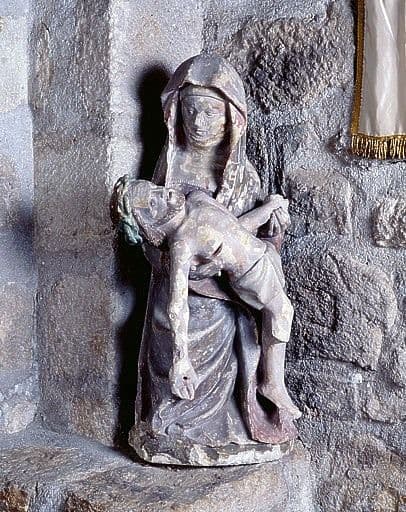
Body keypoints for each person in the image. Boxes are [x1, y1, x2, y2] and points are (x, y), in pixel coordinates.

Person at [117, 54, 298, 465]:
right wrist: (167, 258)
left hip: (227, 300)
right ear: (176, 113)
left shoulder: (243, 176)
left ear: (231, 118)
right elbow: (150, 233)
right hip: (176, 290)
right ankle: (170, 430)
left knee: (245, 337)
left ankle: (242, 412)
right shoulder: (167, 172)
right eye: (191, 110)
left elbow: (252, 240)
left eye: (211, 112)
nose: (199, 122)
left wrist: (273, 225)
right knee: (170, 344)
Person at [115, 178, 300, 420]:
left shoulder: (197, 199)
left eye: (155, 189)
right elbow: (177, 305)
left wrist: (269, 209)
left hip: (264, 254)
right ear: (150, 225)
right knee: (282, 312)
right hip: (250, 273)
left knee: (280, 314)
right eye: (152, 203)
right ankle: (273, 384)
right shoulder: (182, 244)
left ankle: (272, 381)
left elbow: (236, 227)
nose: (162, 194)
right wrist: (181, 360)